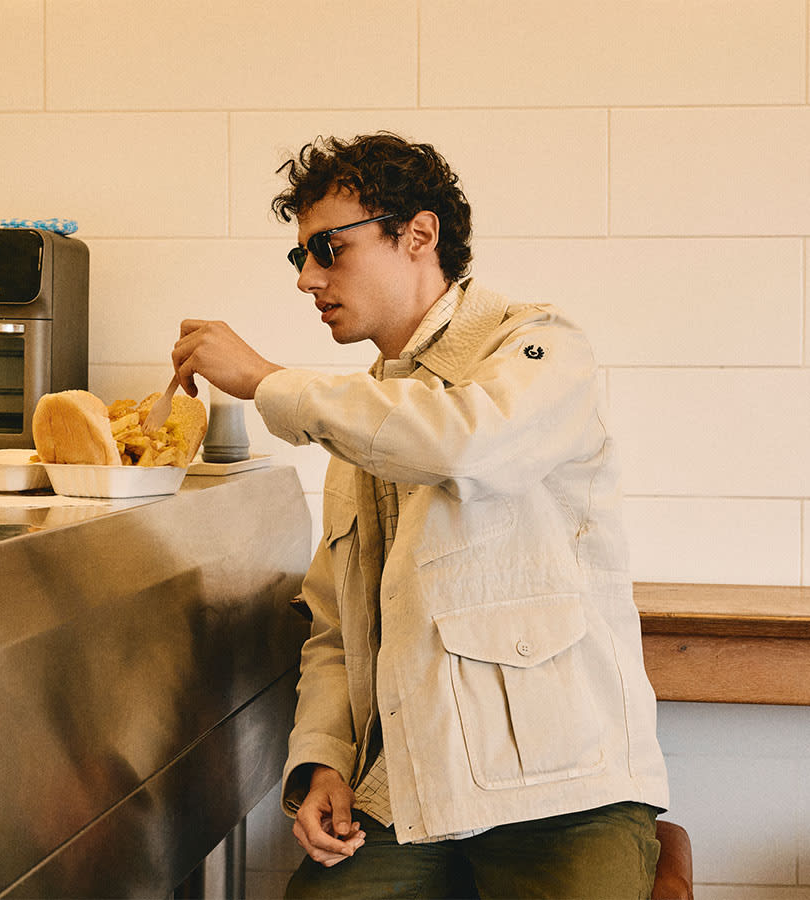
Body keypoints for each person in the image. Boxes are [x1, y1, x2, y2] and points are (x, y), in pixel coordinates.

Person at [171, 132, 669, 899]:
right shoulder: (363, 418)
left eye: (328, 248)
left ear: (419, 235)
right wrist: (325, 761)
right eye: (299, 256)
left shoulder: (540, 346)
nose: (308, 278)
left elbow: (468, 443)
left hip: (566, 794)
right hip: (405, 791)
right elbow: (339, 623)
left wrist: (266, 379)